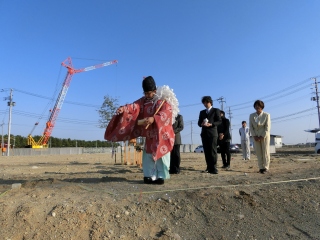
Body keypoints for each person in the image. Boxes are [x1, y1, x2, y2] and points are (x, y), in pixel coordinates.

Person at [105, 76, 179, 184]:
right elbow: (134, 106)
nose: (147, 95)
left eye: (149, 93)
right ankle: (149, 176)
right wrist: (124, 109)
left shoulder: (162, 101)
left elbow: (167, 112)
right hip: (149, 135)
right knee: (148, 155)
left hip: (160, 134)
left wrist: (154, 118)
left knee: (160, 156)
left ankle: (160, 176)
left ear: (155, 91)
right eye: (145, 93)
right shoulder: (143, 101)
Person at [198, 96, 222, 174]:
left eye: (206, 102)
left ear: (210, 102)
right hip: (204, 133)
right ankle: (208, 167)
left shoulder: (216, 110)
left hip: (212, 133)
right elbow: (199, 123)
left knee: (213, 151)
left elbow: (219, 121)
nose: (205, 104)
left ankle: (214, 167)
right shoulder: (202, 112)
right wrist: (201, 124)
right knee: (207, 151)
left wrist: (211, 124)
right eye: (204, 103)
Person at [249, 100, 271, 174]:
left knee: (265, 152)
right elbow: (251, 127)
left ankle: (266, 167)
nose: (257, 107)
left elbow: (267, 127)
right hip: (256, 136)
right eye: (256, 105)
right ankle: (261, 167)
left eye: (259, 105)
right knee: (258, 152)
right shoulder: (251, 115)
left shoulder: (266, 115)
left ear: (262, 107)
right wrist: (254, 136)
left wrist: (262, 136)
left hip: (264, 136)